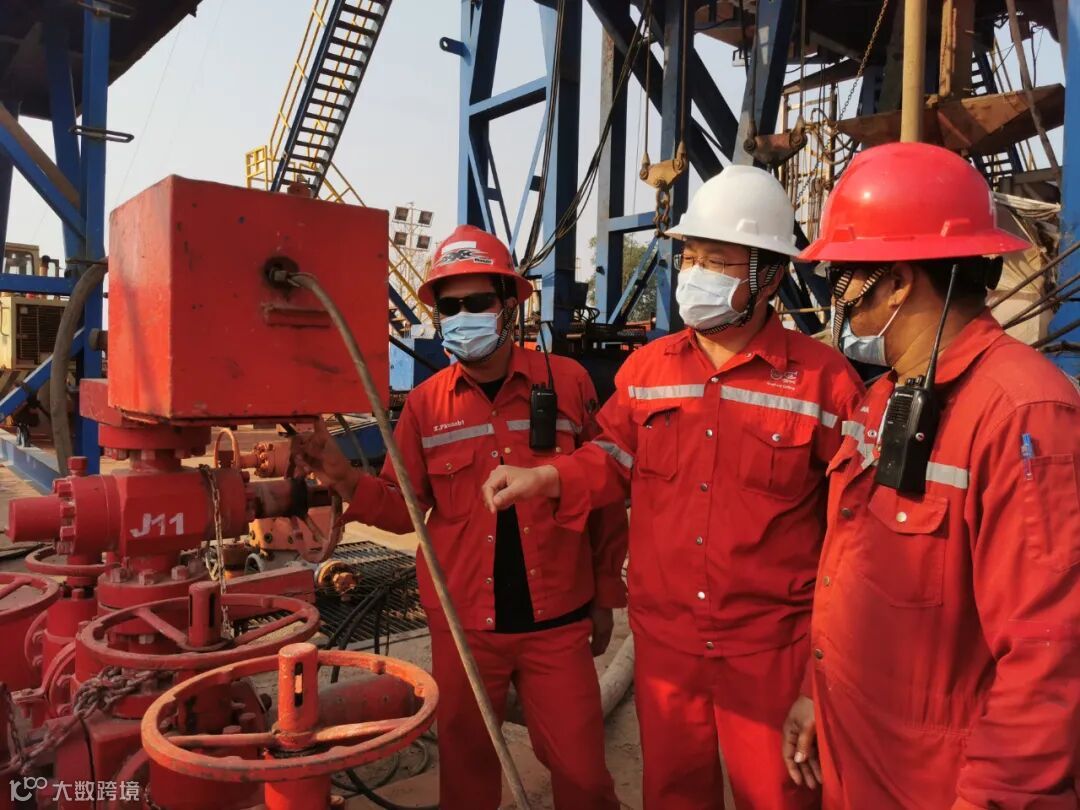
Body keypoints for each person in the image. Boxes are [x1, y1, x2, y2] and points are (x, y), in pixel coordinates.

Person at [481, 166, 864, 810]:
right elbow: (611, 455)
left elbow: (852, 532)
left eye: (717, 260)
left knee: (779, 797)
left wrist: (820, 672)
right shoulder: (648, 369)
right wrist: (548, 476)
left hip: (771, 645)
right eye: (691, 257)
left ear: (769, 276)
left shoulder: (825, 383)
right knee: (673, 793)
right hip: (667, 642)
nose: (695, 274)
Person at [780, 141, 1080, 808]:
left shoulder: (1023, 415)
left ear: (897, 281)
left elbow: (1050, 657)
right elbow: (852, 570)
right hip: (861, 757)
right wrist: (814, 694)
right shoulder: (887, 396)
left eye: (843, 278)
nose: (837, 301)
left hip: (942, 784)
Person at [292, 224, 625, 810]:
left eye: (477, 303)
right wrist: (341, 475)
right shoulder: (426, 405)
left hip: (557, 623)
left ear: (509, 306)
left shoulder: (568, 384)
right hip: (464, 625)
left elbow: (604, 500)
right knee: (467, 773)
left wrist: (604, 596)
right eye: (450, 307)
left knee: (582, 774)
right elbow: (405, 510)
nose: (463, 317)